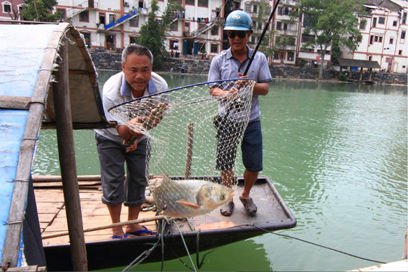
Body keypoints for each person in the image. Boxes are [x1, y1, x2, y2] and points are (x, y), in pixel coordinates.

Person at [95, 44, 168, 239]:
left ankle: (133, 225)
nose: (140, 76)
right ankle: (117, 228)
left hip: (141, 134)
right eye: (133, 70)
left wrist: (139, 133)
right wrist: (130, 134)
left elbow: (156, 118)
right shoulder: (112, 92)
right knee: (114, 180)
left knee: (138, 177)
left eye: (145, 70)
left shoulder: (160, 87)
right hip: (110, 136)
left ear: (151, 68)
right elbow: (119, 130)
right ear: (123, 68)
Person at [208, 10, 272, 217]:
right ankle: (228, 198)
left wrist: (250, 85)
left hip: (251, 120)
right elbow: (212, 89)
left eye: (240, 34)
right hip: (227, 119)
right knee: (226, 163)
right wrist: (227, 94)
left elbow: (265, 89)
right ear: (227, 35)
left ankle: (245, 194)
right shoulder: (219, 61)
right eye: (231, 34)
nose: (235, 38)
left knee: (254, 164)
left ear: (249, 35)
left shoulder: (259, 58)